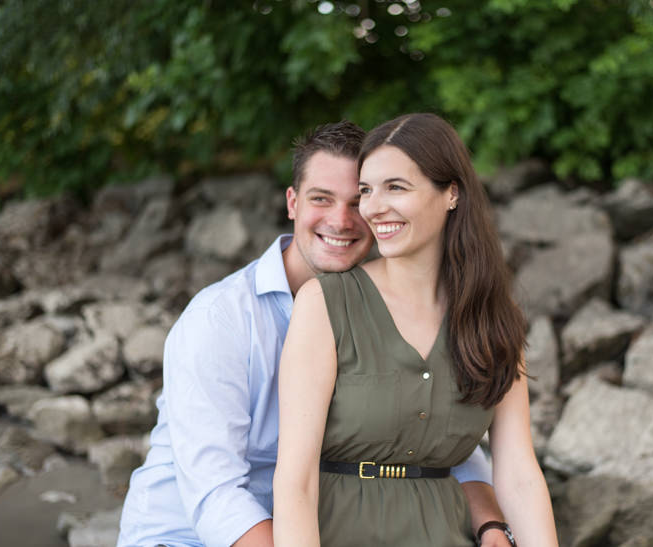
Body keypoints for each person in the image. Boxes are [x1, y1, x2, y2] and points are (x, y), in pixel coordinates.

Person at [116, 121, 513, 547]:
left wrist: (492, 527)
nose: (341, 221)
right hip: (189, 536)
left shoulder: (386, 308)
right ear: (292, 202)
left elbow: (439, 444)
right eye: (321, 199)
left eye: (356, 200)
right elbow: (216, 496)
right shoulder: (220, 319)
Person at [273, 113, 559, 547]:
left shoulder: (495, 317)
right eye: (368, 190)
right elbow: (296, 482)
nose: (372, 207)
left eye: (396, 188)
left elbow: (519, 475)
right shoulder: (324, 304)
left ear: (451, 194)